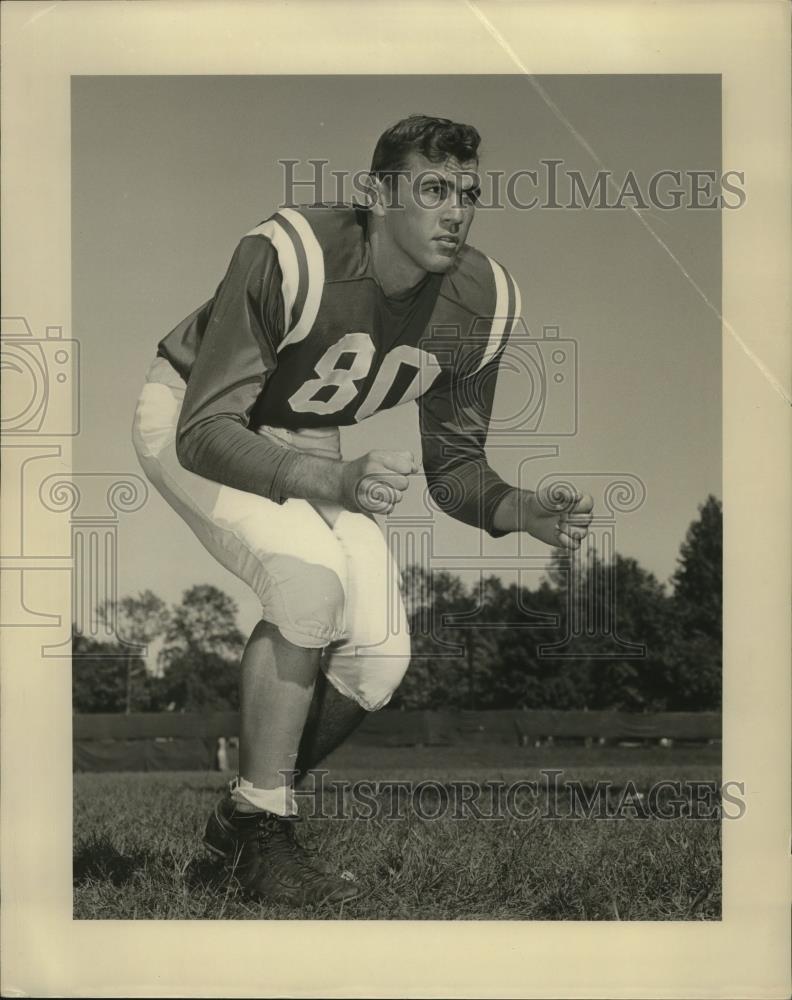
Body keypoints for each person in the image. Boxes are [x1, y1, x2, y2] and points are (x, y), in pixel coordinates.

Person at [132, 114, 593, 906]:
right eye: (434, 189)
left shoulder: (481, 301)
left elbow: (454, 469)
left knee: (378, 658)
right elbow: (205, 433)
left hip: (309, 436)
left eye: (469, 193)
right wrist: (335, 482)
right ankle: (263, 828)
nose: (457, 211)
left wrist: (520, 508)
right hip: (193, 415)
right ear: (378, 194)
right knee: (308, 591)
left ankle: (241, 825)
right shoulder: (290, 254)